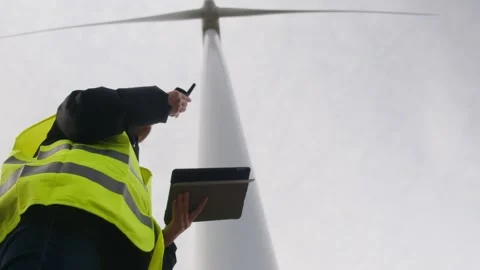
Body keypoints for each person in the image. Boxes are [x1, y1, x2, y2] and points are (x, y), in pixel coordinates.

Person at [0, 85, 207, 270]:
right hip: (59, 230)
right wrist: (160, 103)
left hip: (100, 251)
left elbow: (140, 253)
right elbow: (93, 106)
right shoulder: (80, 122)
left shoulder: (130, 174)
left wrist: (170, 235)